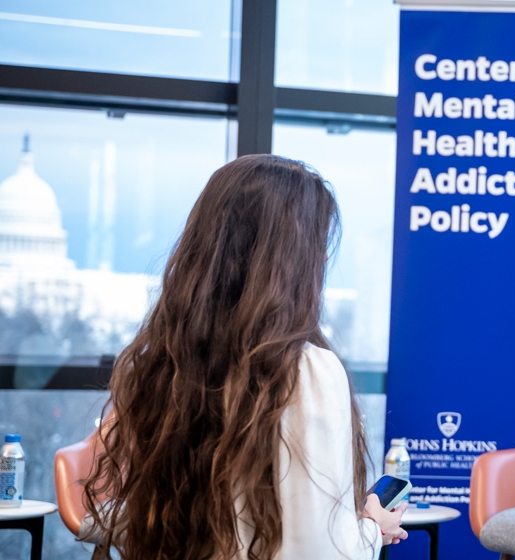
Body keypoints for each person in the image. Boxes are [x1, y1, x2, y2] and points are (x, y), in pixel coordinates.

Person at [82, 155, 407, 560]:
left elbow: (150, 519)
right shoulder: (307, 372)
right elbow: (320, 553)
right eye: (317, 244)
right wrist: (371, 529)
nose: (323, 260)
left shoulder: (166, 366)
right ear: (288, 259)